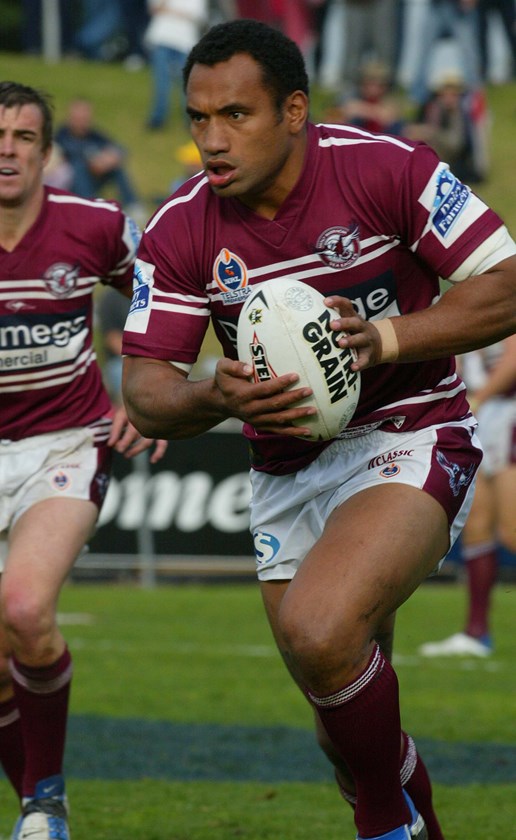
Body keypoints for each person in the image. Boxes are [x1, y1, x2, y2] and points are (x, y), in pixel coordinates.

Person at [121, 19, 516, 840]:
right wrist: (214, 396)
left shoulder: (385, 168)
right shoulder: (182, 226)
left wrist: (391, 338)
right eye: (198, 118)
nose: (212, 140)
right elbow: (147, 390)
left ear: (295, 110)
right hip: (286, 473)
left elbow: (506, 284)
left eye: (236, 116)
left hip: (408, 430)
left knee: (319, 627)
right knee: (345, 737)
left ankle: (383, 830)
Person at [0, 80, 166, 840]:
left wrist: (144, 389)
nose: (7, 150)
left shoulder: (96, 225)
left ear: (46, 151)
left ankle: (43, 804)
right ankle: (40, 806)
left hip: (63, 445)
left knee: (26, 611)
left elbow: (163, 294)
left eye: (24, 137)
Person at [419, 337, 516, 657]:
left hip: (506, 411)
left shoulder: (503, 292)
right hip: (482, 415)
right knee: (477, 527)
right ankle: (476, 633)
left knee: (511, 532)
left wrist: (477, 399)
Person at [55, 97, 145, 220]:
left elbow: (119, 148)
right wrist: (95, 161)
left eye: (85, 118)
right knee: (77, 166)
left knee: (116, 167)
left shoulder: (94, 135)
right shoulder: (62, 136)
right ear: (70, 117)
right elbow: (71, 155)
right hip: (70, 186)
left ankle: (132, 205)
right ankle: (90, 206)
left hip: (94, 176)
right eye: (78, 118)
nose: (82, 122)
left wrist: (110, 159)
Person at [405, 70, 490, 184]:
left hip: (451, 162)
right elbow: (410, 130)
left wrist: (431, 132)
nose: (449, 98)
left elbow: (456, 144)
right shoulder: (430, 108)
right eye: (445, 94)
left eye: (454, 94)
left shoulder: (462, 114)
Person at [143, 0, 209, 130]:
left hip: (184, 42)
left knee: (186, 83)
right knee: (161, 81)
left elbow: (199, 16)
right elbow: (154, 8)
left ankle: (190, 119)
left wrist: (169, 11)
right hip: (162, 39)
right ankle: (157, 118)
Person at [409, 0, 482, 106]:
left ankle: (475, 100)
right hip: (436, 7)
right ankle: (418, 97)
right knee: (423, 53)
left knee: (470, 54)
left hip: (460, 10)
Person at [325, 60, 405, 135]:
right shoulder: (349, 95)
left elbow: (390, 117)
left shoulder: (390, 100)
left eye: (380, 85)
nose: (374, 88)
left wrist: (363, 110)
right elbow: (330, 120)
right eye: (370, 83)